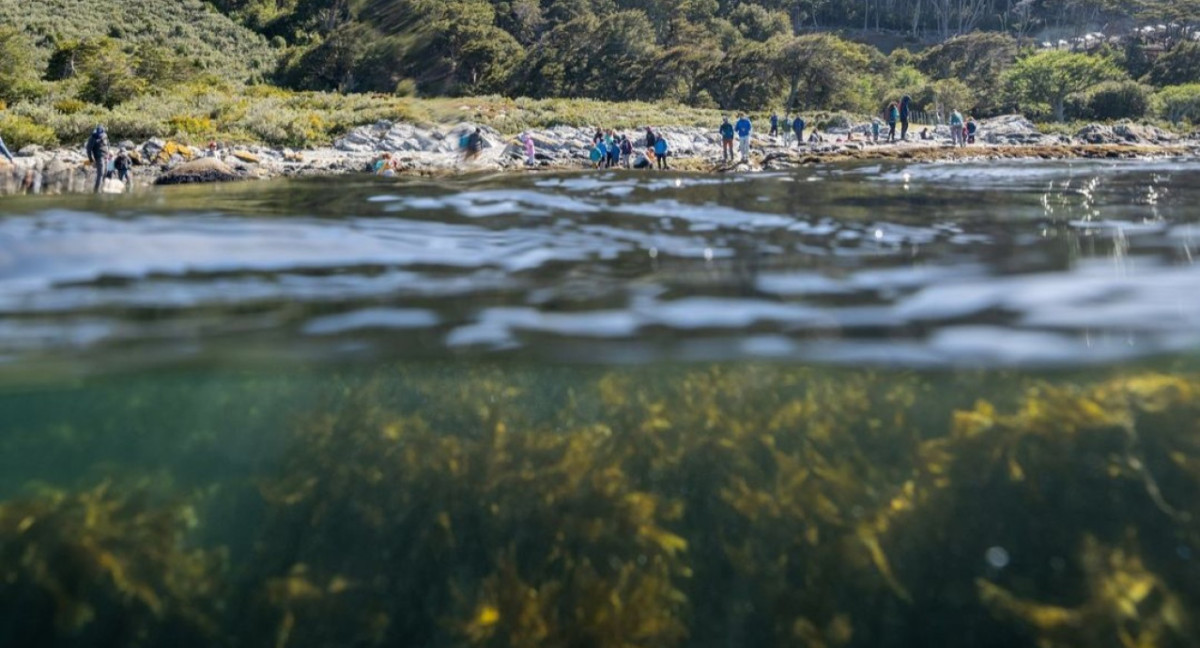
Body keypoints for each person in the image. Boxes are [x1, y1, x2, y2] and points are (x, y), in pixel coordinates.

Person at [86, 125, 109, 193]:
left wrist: (108, 154)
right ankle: (96, 191)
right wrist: (91, 159)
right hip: (99, 157)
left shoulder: (105, 135)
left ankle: (103, 187)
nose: (100, 134)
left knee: (105, 172)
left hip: (106, 156)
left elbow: (107, 144)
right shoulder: (92, 138)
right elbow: (88, 149)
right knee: (100, 173)